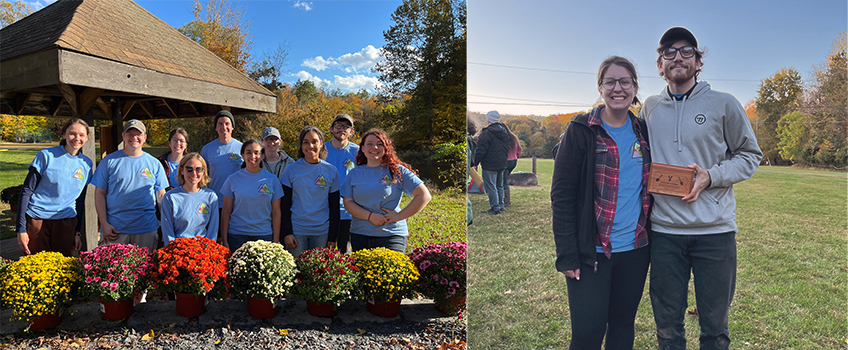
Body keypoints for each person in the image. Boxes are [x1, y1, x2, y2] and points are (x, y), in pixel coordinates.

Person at [641, 27, 761, 349]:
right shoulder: (649, 108)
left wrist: (711, 176)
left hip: (716, 235)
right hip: (665, 235)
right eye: (669, 51)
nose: (677, 56)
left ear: (698, 61)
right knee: (667, 330)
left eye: (686, 51)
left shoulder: (724, 104)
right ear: (659, 64)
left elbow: (750, 155)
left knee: (715, 331)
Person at [551, 56, 652, 349]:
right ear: (600, 87)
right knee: (587, 334)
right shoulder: (581, 130)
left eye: (625, 81)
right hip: (590, 252)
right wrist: (567, 254)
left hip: (635, 250)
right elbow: (562, 196)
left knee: (622, 327)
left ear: (635, 87)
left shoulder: (643, 131)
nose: (617, 88)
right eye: (610, 81)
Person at [341, 129, 431, 253]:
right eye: (370, 144)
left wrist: (399, 215)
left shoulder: (397, 171)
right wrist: (370, 216)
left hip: (391, 235)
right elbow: (348, 203)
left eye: (380, 143)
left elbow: (424, 195)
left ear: (386, 147)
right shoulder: (354, 173)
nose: (375, 147)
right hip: (360, 234)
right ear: (362, 148)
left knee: (391, 273)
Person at [15, 118, 93, 257]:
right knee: (36, 269)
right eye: (72, 133)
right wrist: (21, 229)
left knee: (63, 269)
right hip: (38, 221)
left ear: (87, 138)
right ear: (64, 134)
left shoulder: (86, 164)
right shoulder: (46, 156)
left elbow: (80, 201)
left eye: (81, 135)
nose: (76, 138)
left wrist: (77, 233)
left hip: (66, 222)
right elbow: (26, 192)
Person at [92, 119, 168, 252]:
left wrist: (167, 225)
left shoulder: (154, 164)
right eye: (130, 133)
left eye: (138, 134)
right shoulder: (109, 161)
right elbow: (99, 193)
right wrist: (104, 223)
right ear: (123, 136)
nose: (134, 137)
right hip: (115, 229)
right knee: (113, 271)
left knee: (145, 271)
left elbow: (161, 196)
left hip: (146, 229)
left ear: (144, 137)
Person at [280, 126, 341, 257]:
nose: (310, 146)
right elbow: (284, 205)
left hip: (322, 232)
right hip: (297, 230)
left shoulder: (331, 171)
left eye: (314, 141)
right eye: (305, 142)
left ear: (322, 144)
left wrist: (332, 237)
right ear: (301, 145)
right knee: (297, 274)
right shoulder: (291, 170)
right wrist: (287, 233)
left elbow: (334, 207)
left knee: (317, 274)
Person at [219, 139, 283, 253]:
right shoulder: (232, 180)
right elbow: (226, 212)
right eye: (248, 152)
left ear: (262, 155)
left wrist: (276, 241)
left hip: (264, 236)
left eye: (256, 153)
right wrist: (225, 240)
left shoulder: (272, 180)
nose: (252, 156)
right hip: (237, 236)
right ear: (243, 155)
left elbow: (276, 212)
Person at [160, 153, 219, 245]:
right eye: (189, 169)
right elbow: (167, 230)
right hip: (178, 250)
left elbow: (213, 230)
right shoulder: (170, 197)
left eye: (198, 169)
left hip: (203, 250)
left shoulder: (211, 197)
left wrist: (207, 250)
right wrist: (174, 251)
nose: (194, 173)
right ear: (182, 170)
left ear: (203, 171)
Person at [324, 114, 359, 253]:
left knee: (345, 252)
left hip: (348, 211)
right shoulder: (321, 150)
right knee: (326, 252)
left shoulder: (358, 152)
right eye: (338, 126)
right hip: (325, 211)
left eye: (346, 127)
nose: (342, 129)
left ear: (351, 132)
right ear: (331, 129)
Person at [200, 110, 243, 212]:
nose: (224, 127)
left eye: (227, 124)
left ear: (232, 127)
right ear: (216, 127)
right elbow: (201, 176)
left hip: (237, 202)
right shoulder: (207, 149)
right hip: (215, 201)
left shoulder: (242, 148)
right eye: (220, 124)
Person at [472, 111, 510, 215]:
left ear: (488, 120)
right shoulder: (504, 132)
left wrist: (474, 162)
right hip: (502, 163)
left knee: (491, 186)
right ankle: (501, 205)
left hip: (490, 164)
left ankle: (495, 208)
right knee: (499, 185)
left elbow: (481, 150)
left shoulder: (487, 133)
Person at [504, 127, 522, 207]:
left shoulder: (504, 138)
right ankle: (505, 199)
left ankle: (506, 201)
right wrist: (516, 156)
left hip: (506, 161)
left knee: (503, 181)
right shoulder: (514, 138)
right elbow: (519, 149)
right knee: (505, 179)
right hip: (513, 161)